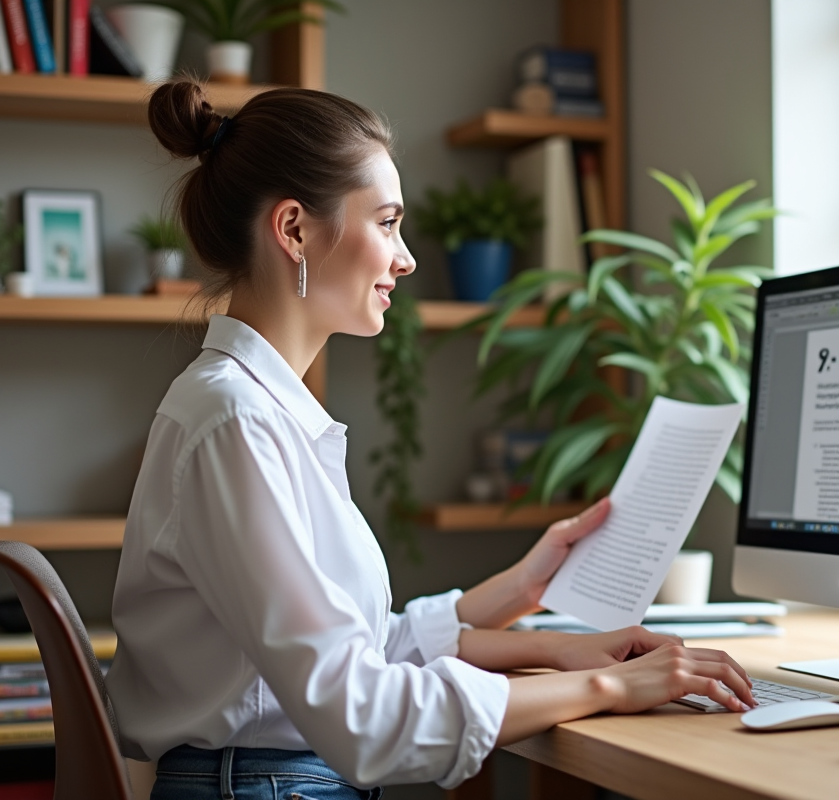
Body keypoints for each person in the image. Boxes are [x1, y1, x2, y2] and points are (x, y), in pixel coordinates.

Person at [106, 81, 756, 800]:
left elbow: (365, 647)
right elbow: (364, 713)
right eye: (386, 223)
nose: (405, 258)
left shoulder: (259, 413)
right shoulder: (235, 423)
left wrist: (537, 612)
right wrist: (608, 684)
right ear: (293, 230)